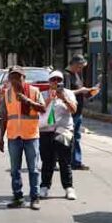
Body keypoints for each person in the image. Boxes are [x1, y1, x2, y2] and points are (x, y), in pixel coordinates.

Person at [0, 66, 46, 210]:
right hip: (14, 136)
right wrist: (1, 137)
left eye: (18, 77)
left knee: (33, 169)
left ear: (24, 78)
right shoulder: (7, 94)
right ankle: (18, 197)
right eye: (12, 77)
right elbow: (4, 117)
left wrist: (27, 101)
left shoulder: (33, 91)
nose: (15, 80)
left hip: (31, 135)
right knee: (14, 170)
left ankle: (34, 197)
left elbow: (43, 109)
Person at [38, 70, 78, 200]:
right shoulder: (42, 94)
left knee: (64, 160)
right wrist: (50, 98)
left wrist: (63, 98)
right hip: (46, 130)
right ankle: (44, 186)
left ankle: (68, 187)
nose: (56, 82)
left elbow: (73, 110)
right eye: (53, 80)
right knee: (47, 161)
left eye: (59, 80)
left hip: (63, 130)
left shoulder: (68, 93)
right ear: (49, 82)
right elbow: (40, 110)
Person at [63, 55, 100, 170]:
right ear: (73, 64)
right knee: (68, 137)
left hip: (78, 111)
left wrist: (91, 91)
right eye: (79, 67)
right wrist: (81, 90)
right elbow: (65, 92)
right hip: (70, 111)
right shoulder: (66, 75)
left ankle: (76, 162)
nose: (80, 69)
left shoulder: (77, 75)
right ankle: (66, 161)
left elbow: (81, 93)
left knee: (77, 137)